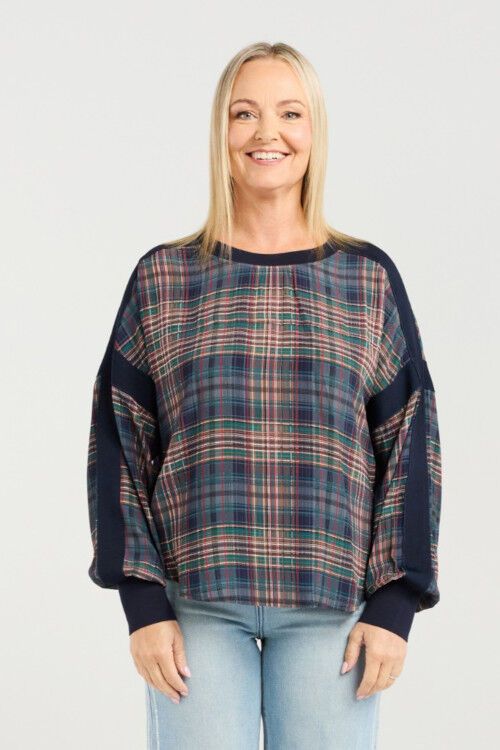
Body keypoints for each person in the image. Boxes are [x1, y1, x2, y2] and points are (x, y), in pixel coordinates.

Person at [86, 41, 442, 749]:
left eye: (290, 113)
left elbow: (409, 441)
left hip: (332, 604)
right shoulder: (164, 278)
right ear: (221, 131)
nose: (267, 132)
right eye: (244, 113)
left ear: (315, 131)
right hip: (195, 602)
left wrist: (395, 603)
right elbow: (119, 443)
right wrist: (142, 601)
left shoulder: (366, 279)